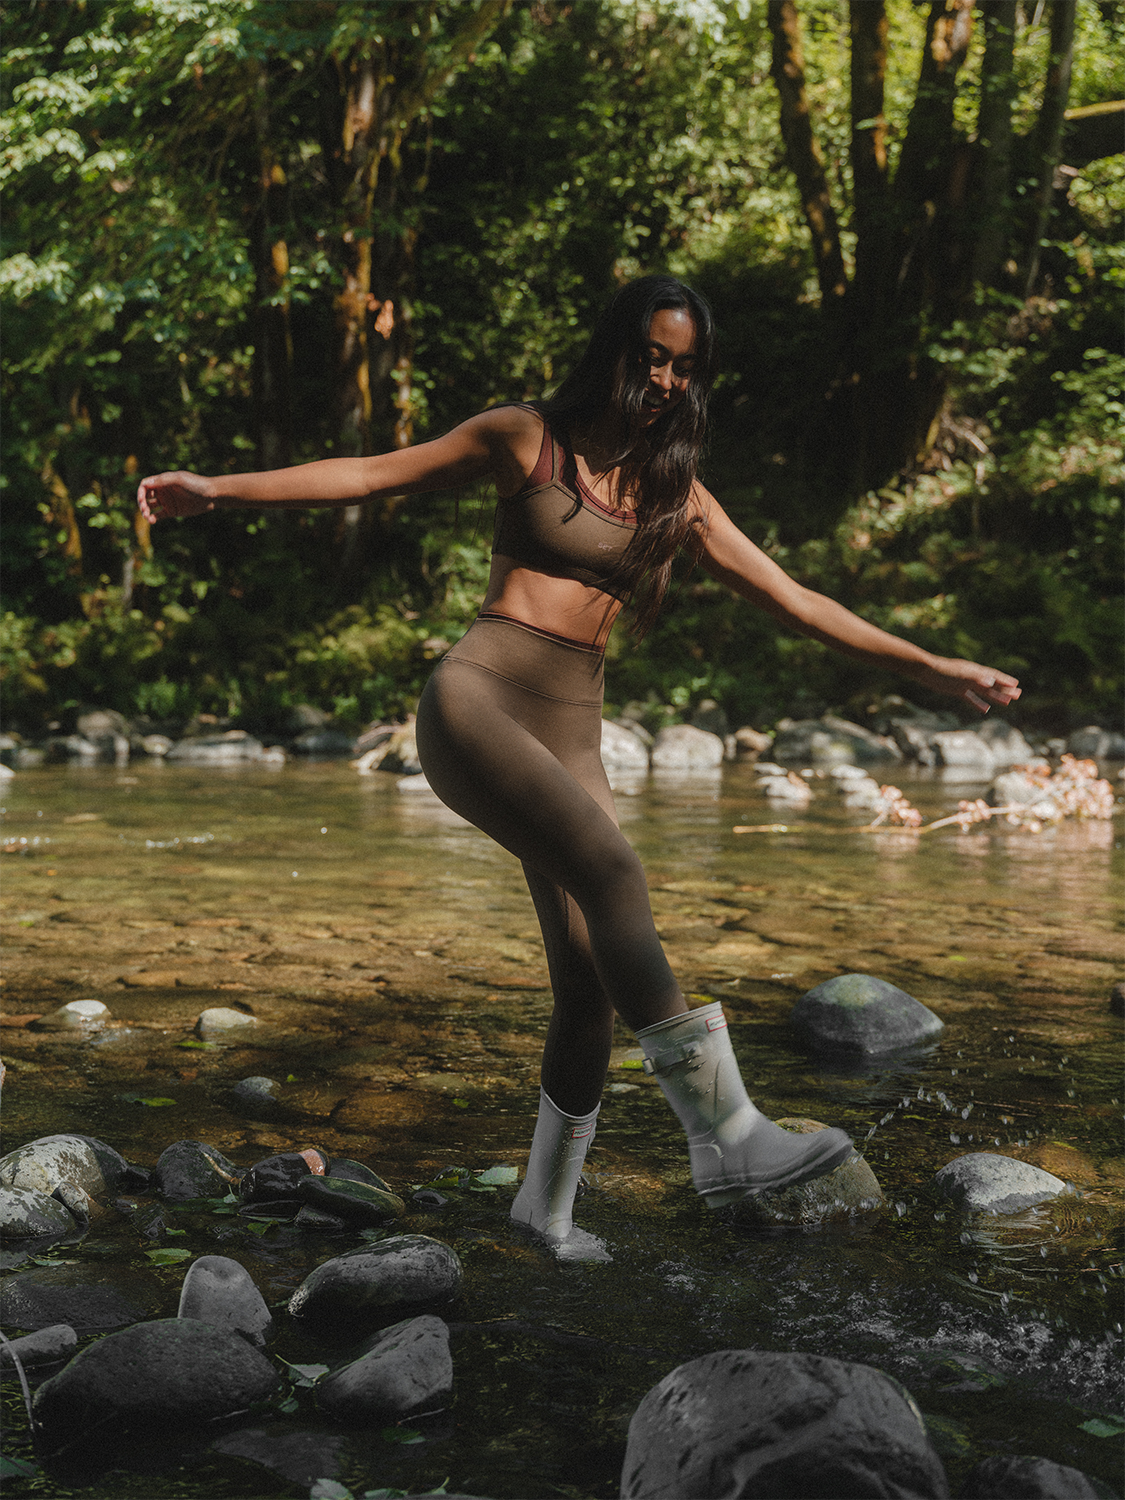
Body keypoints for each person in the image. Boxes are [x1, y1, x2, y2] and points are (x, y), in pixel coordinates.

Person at [138, 275, 1020, 1256]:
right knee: (615, 872)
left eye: (684, 366)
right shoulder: (526, 437)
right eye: (651, 354)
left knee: (590, 983)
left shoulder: (678, 498)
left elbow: (798, 603)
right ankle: (726, 1134)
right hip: (478, 704)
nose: (664, 379)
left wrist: (937, 668)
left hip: (573, 731)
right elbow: (369, 472)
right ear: (616, 349)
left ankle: (544, 1213)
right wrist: (217, 489)